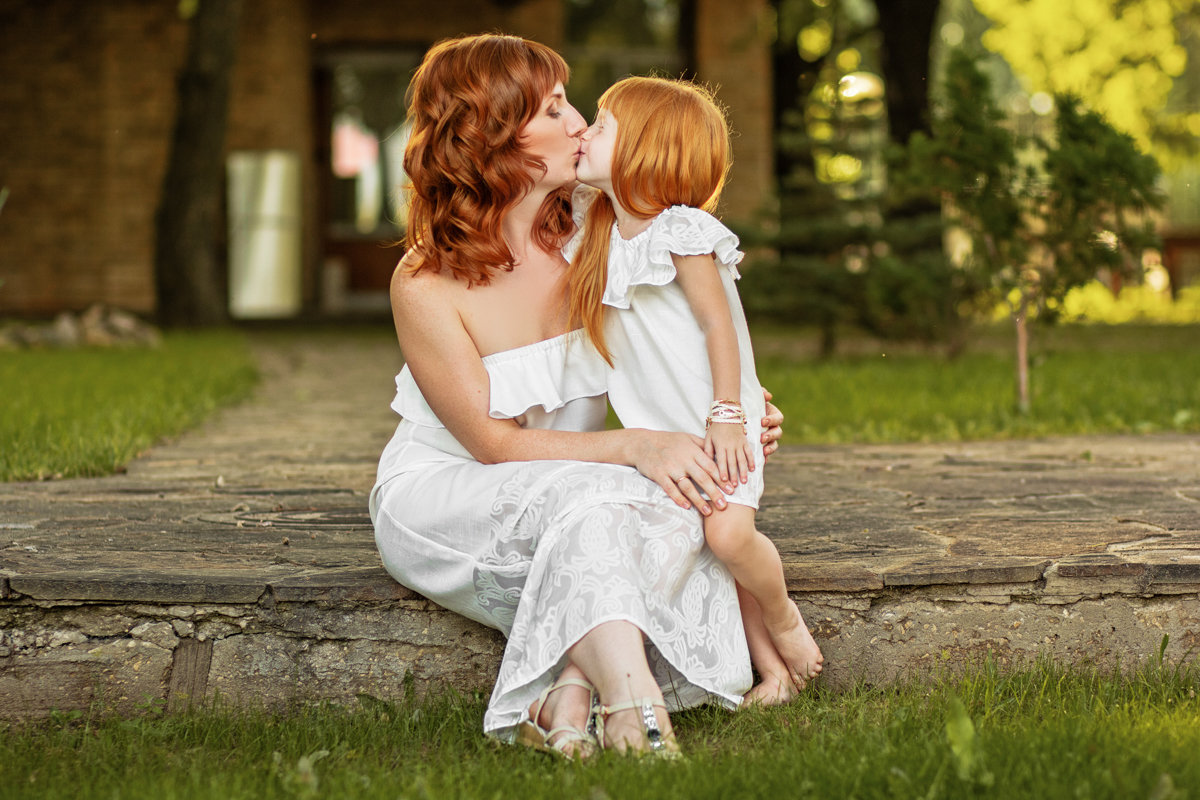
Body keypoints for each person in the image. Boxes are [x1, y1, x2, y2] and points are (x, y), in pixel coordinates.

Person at [369, 34, 785, 758]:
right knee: (604, 502)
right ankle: (635, 710)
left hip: (578, 481)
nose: (579, 126)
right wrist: (636, 445)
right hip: (448, 493)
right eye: (554, 108)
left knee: (678, 507)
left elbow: (686, 340)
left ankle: (568, 698)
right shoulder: (425, 282)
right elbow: (493, 446)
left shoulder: (597, 234)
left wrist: (737, 411)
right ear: (493, 134)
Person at [567, 76, 823, 703]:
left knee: (729, 537)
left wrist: (730, 412)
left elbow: (719, 324)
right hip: (671, 434)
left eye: (601, 125)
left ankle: (785, 616)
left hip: (720, 425)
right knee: (712, 547)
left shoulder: (681, 230)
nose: (585, 132)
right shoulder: (599, 229)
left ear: (646, 149)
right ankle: (773, 674)